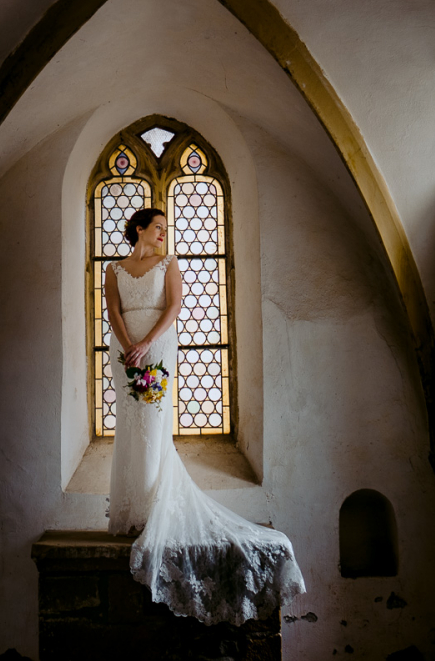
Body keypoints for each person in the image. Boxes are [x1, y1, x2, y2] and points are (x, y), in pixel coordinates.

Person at [102, 207, 306, 626]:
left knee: (154, 425)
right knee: (131, 423)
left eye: (165, 229)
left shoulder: (169, 263)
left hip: (157, 347)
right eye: (157, 227)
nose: (163, 234)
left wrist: (147, 345)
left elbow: (175, 306)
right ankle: (133, 512)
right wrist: (127, 348)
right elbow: (114, 312)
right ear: (138, 229)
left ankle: (152, 510)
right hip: (124, 351)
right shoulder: (113, 269)